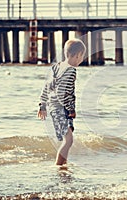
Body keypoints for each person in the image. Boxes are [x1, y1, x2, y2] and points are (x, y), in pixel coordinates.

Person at [38, 38, 86, 167]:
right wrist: (70, 109)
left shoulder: (56, 67)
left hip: (54, 107)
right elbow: (61, 92)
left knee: (68, 137)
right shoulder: (71, 71)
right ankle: (59, 166)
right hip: (61, 109)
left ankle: (63, 164)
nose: (82, 60)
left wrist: (42, 104)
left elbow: (46, 87)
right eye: (82, 57)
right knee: (68, 140)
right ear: (77, 55)